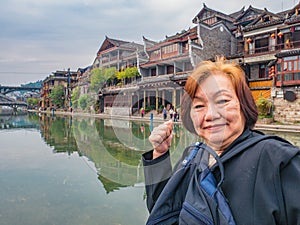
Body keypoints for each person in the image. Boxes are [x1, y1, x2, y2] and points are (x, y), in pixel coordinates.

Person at [142, 56, 300, 224]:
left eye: (223, 101)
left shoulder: (278, 160)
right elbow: (162, 210)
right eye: (199, 106)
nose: (211, 115)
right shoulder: (194, 156)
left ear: (243, 105)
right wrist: (159, 155)